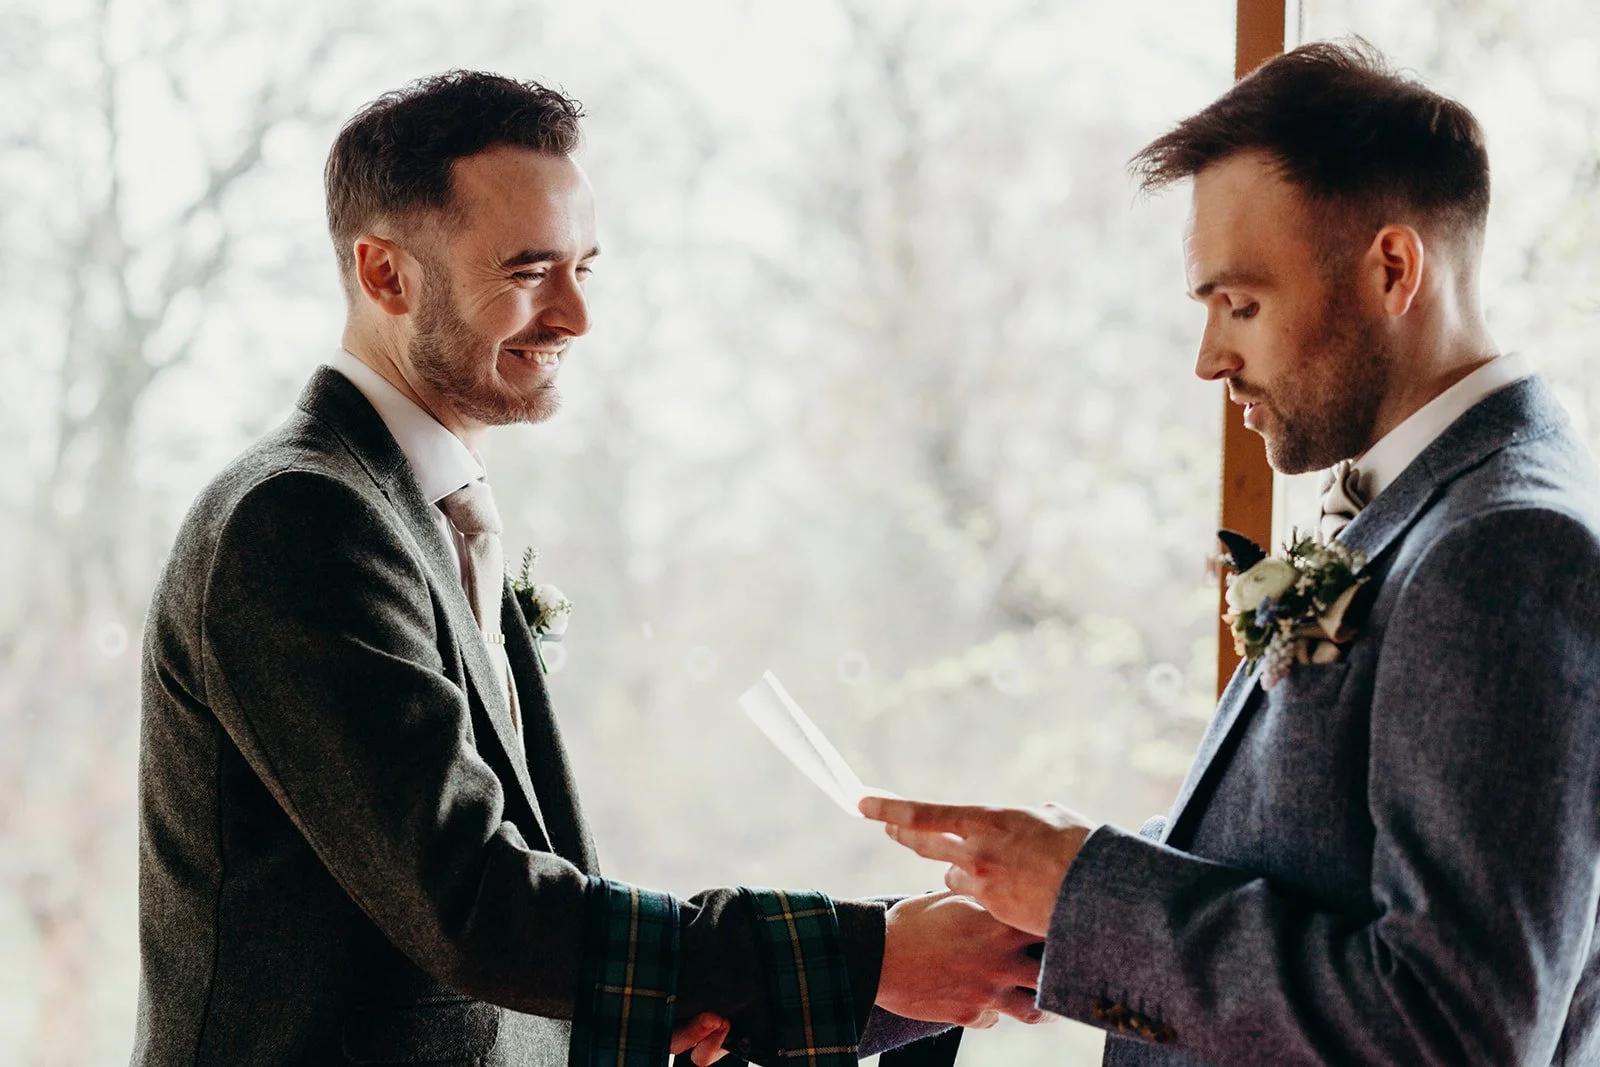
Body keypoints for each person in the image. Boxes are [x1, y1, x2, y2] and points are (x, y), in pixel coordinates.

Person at [133, 71, 1043, 1066]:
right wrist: (861, 955)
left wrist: (697, 998)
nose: (574, 316)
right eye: (528, 271)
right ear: (385, 275)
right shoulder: (299, 520)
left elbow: (529, 902)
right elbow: (473, 902)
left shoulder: (431, 512)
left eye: (584, 268)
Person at [862, 40, 1600, 1067]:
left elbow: (1454, 1027)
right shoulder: (1430, 508)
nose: (1209, 356)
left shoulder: (1505, 548)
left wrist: (1091, 892)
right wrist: (1054, 896)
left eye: (1240, 304)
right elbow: (1313, 867)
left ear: (1393, 268)